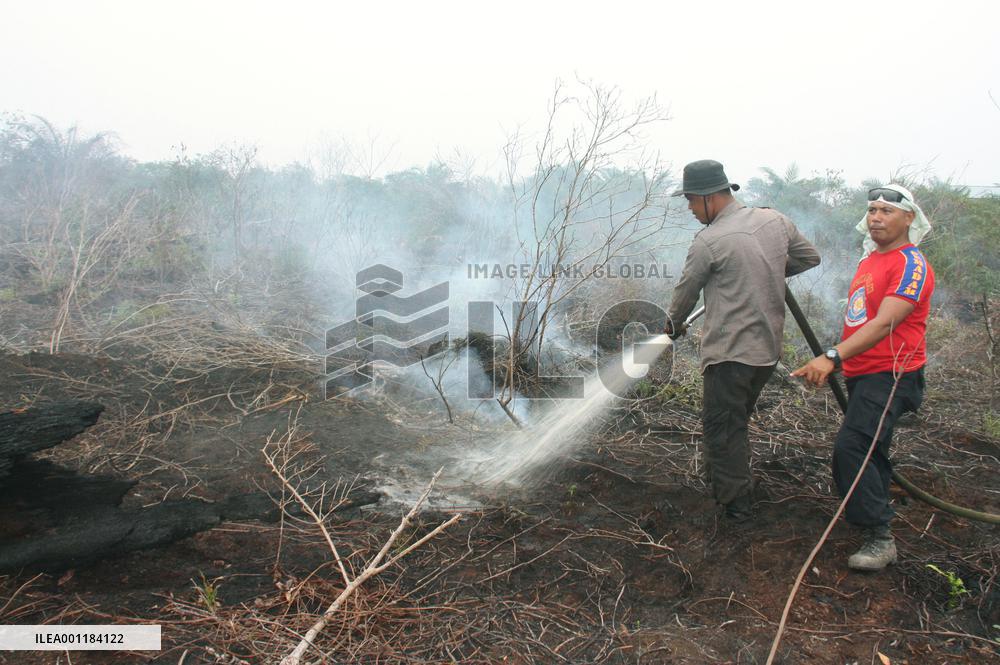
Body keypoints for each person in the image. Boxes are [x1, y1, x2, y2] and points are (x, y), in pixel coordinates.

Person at [666, 160, 821, 521]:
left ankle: (736, 508)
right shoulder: (775, 221)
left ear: (709, 198)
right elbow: (808, 257)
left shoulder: (709, 240)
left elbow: (685, 292)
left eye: (691, 201)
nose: (690, 209)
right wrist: (766, 270)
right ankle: (720, 479)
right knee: (732, 420)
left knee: (723, 428)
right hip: (766, 353)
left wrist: (672, 325)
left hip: (730, 354)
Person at [792, 183, 934, 571]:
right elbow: (859, 319)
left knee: (852, 448)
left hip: (892, 373)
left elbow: (887, 321)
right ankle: (872, 511)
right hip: (864, 372)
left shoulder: (911, 264)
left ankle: (879, 536)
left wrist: (832, 356)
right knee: (870, 446)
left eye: (886, 211)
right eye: (872, 210)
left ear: (909, 218)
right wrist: (840, 361)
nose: (876, 217)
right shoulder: (870, 260)